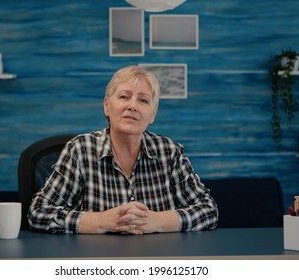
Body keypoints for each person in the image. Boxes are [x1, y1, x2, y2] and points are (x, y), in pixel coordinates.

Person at [28, 65, 218, 234]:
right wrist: (102, 222)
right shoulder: (80, 150)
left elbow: (208, 210)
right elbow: (38, 212)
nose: (132, 106)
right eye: (124, 97)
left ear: (153, 114)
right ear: (106, 106)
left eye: (143, 100)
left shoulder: (169, 152)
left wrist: (156, 221)